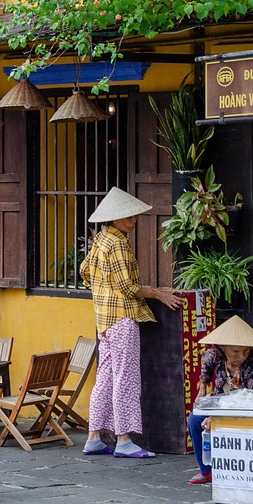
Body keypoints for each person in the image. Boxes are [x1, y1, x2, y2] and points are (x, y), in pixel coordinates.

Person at [79, 187, 182, 459]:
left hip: (103, 319)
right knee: (125, 378)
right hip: (123, 318)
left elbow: (84, 271)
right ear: (115, 218)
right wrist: (157, 293)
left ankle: (93, 437)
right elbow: (128, 286)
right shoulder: (119, 243)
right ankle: (124, 440)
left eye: (134, 216)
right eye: (128, 217)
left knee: (104, 378)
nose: (133, 221)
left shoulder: (101, 238)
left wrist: (104, 288)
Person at [186, 315, 253, 484]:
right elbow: (206, 359)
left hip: (251, 410)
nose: (241, 356)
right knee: (195, 420)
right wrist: (203, 386)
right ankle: (207, 471)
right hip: (224, 404)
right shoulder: (216, 357)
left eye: (245, 351)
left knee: (213, 422)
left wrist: (218, 418)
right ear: (223, 349)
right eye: (235, 352)